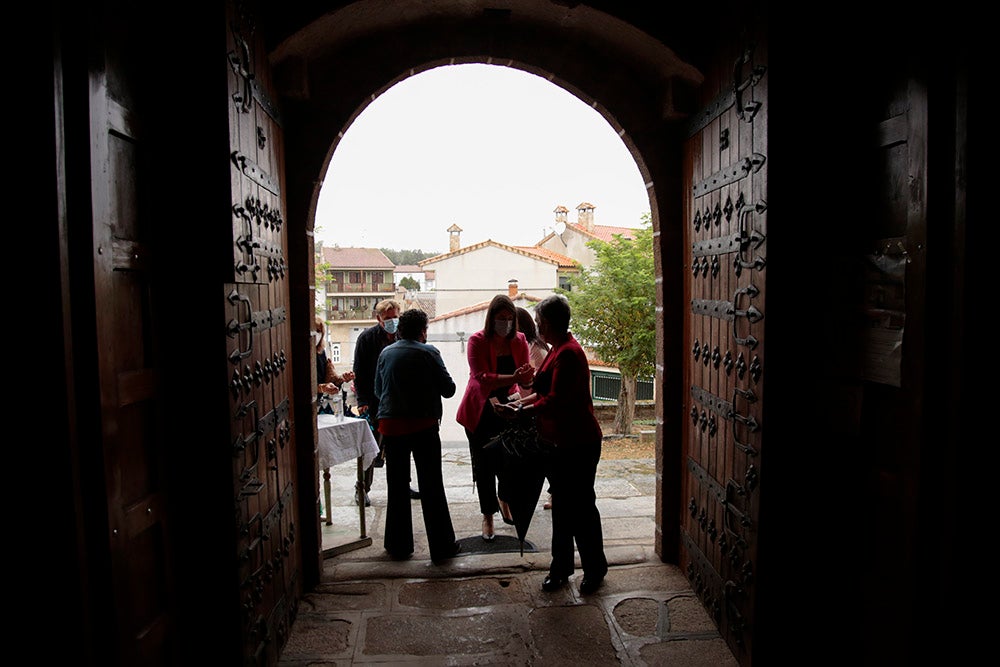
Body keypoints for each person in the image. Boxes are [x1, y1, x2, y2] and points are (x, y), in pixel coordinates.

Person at [499, 294, 608, 595]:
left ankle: (594, 570)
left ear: (548, 322)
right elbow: (543, 389)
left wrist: (522, 409)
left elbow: (558, 400)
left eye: (538, 321)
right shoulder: (556, 349)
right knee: (562, 507)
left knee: (582, 508)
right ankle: (560, 568)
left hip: (578, 443)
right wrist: (519, 404)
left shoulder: (569, 353)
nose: (535, 325)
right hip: (559, 443)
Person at [374, 308, 460, 564]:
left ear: (400, 329)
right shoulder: (429, 352)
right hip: (423, 426)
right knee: (431, 485)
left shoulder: (385, 353)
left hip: (391, 426)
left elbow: (379, 390)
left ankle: (398, 545)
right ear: (423, 331)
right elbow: (449, 390)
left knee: (397, 486)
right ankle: (442, 546)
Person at [455, 294, 535, 541]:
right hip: (480, 408)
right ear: (492, 319)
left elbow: (525, 377)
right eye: (501, 319)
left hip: (508, 406)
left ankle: (505, 499)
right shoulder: (477, 340)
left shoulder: (520, 340)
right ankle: (487, 514)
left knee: (509, 461)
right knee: (484, 465)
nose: (506, 324)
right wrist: (516, 378)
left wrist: (526, 381)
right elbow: (482, 377)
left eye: (510, 319)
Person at [352, 299, 419, 506]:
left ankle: (402, 484)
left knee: (400, 448)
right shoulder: (366, 339)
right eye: (387, 318)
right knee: (369, 448)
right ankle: (362, 489)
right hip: (374, 402)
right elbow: (360, 372)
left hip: (400, 403)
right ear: (378, 319)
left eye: (395, 318)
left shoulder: (404, 336)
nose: (392, 322)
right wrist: (362, 400)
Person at [516, 306, 552, 510]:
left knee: (540, 454)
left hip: (532, 405)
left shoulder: (533, 347)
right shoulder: (530, 344)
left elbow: (538, 380)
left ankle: (552, 492)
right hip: (526, 403)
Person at [314, 316, 354, 414]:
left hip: (319, 406)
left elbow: (329, 381)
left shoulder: (321, 353)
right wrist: (321, 388)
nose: (316, 334)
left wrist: (342, 379)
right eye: (313, 330)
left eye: (319, 331)